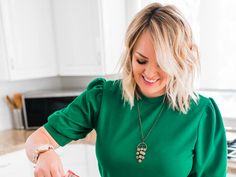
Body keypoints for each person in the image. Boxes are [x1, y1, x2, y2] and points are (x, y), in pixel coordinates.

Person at [25, 2, 227, 177]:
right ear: (130, 53)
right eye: (141, 60)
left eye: (162, 64)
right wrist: (43, 153)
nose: (149, 73)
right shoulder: (103, 98)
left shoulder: (202, 114)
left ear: (179, 62)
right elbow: (36, 140)